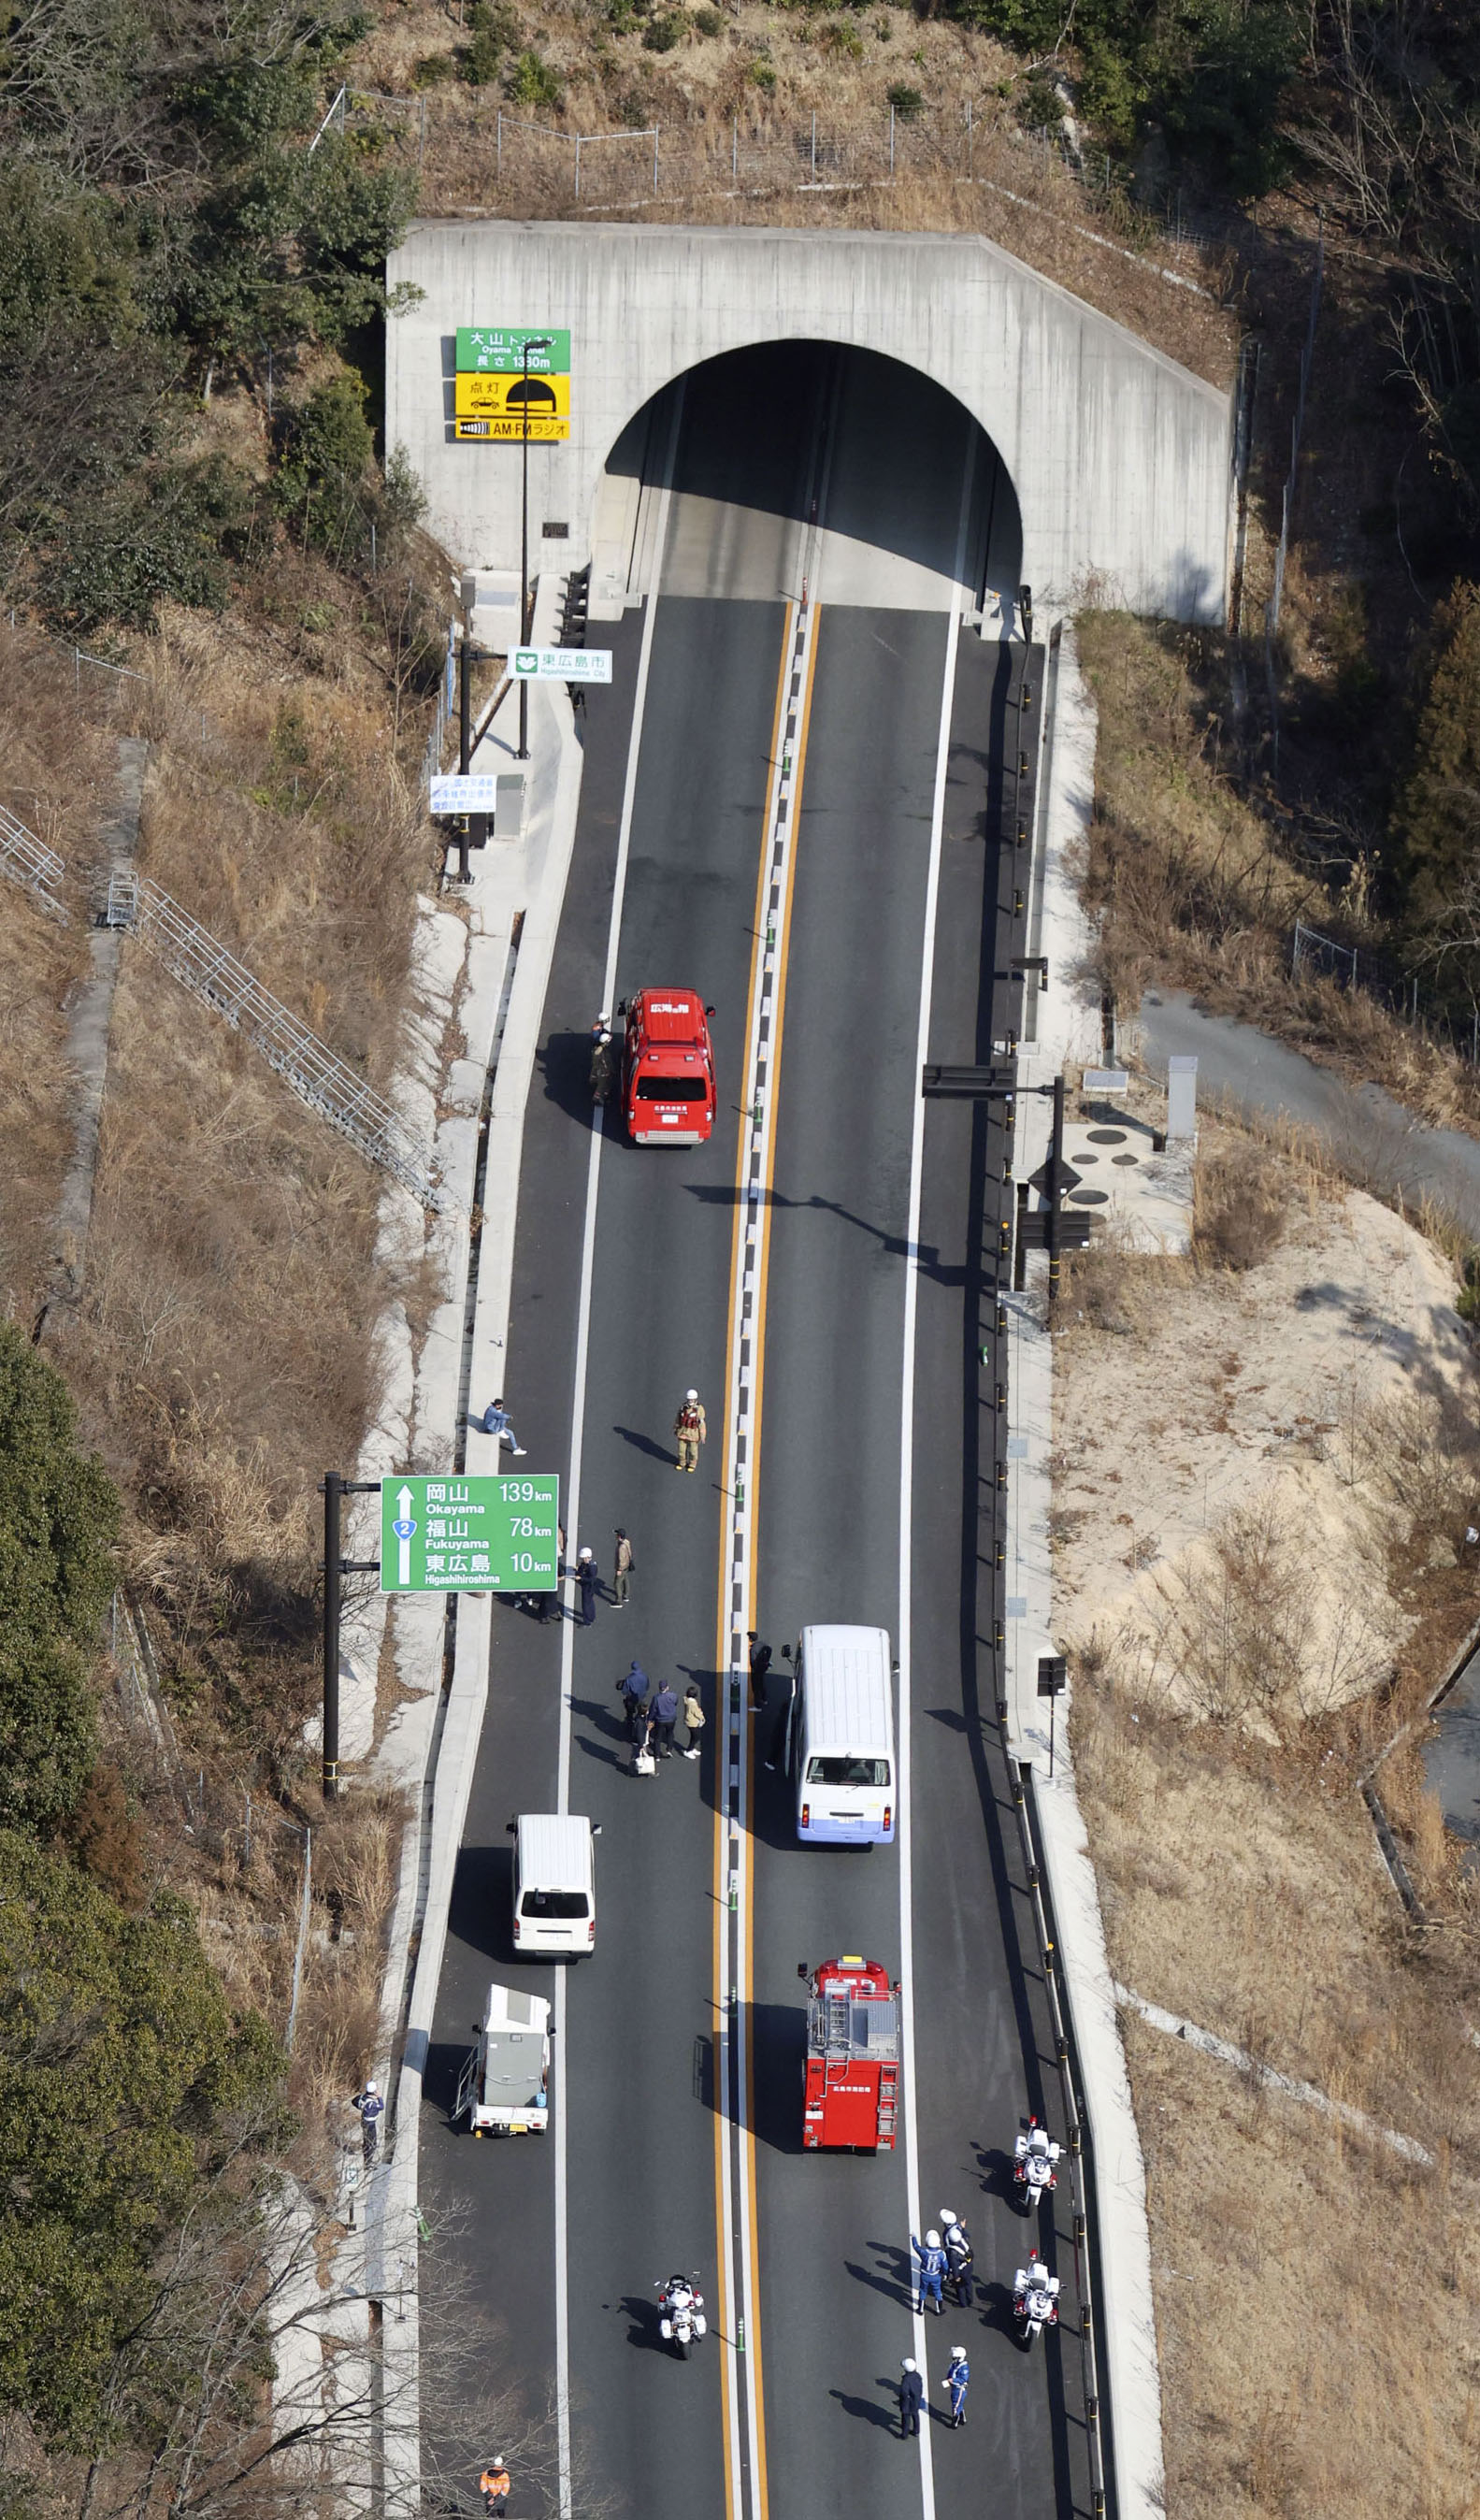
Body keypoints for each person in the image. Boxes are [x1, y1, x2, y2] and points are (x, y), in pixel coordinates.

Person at [941, 2210, 975, 2310]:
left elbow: (954, 2265)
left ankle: (963, 2303)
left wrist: (956, 2277)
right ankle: (970, 2300)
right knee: (968, 2283)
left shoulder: (953, 2252)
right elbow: (966, 2235)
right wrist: (963, 2228)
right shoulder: (962, 2238)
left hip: (960, 2270)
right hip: (969, 2265)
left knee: (960, 2287)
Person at [912, 2229, 946, 2315]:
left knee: (923, 2290)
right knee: (937, 2291)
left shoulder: (924, 2252)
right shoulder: (941, 2254)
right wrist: (944, 2274)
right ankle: (938, 2310)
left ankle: (921, 2309)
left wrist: (913, 2237)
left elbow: (916, 2246)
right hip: (936, 2276)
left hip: (925, 2275)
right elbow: (945, 2266)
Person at [673, 1389, 706, 1473]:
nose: (690, 1401)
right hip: (683, 1432)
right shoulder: (683, 1407)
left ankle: (692, 1464)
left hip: (693, 1433)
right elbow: (678, 1418)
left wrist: (702, 1435)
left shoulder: (699, 1409)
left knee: (693, 1451)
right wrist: (676, 1428)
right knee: (681, 1449)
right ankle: (682, 1462)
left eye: (692, 1399)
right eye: (689, 1399)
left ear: (695, 1399)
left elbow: (701, 1423)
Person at [353, 2080, 385, 2166]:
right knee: (372, 2143)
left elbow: (354, 2101)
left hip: (364, 2121)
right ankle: (368, 2163)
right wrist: (379, 2097)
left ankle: (366, 2157)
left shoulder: (362, 2098)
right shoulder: (371, 2103)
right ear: (374, 2092)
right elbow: (381, 2106)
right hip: (370, 2124)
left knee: (366, 2140)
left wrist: (361, 2108)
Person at [617, 1661, 650, 1742]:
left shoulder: (629, 1679)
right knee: (640, 1712)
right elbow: (647, 1686)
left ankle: (630, 1727)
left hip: (632, 1699)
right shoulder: (645, 1676)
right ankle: (639, 1723)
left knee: (629, 1713)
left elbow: (624, 1691)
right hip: (641, 1697)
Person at [649, 1679, 679, 1759]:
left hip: (660, 1720)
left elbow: (653, 1710)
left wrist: (650, 1719)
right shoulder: (673, 1696)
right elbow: (676, 1703)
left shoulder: (656, 1698)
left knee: (658, 1737)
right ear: (667, 1688)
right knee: (670, 1733)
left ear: (659, 1688)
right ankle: (669, 1750)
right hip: (671, 1719)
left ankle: (657, 1755)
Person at [942, 2346, 970, 2429]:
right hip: (955, 2388)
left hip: (959, 2389)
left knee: (955, 2406)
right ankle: (962, 2419)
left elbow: (963, 2379)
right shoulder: (956, 2364)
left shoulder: (963, 2367)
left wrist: (952, 2380)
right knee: (958, 2404)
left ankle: (954, 2424)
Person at [898, 2357, 924, 2440]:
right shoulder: (917, 2376)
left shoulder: (906, 2380)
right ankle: (916, 2431)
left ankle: (904, 2434)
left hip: (907, 2402)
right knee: (915, 2415)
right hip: (916, 2400)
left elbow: (904, 2392)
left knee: (906, 2417)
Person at [747, 1632, 772, 1710]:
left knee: (756, 1688)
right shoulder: (762, 1644)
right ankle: (764, 1699)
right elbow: (770, 1649)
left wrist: (754, 1668)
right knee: (761, 1684)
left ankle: (757, 1706)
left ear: (750, 1639)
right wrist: (766, 1662)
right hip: (763, 1668)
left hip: (756, 1671)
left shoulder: (753, 1649)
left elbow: (753, 1662)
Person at [681, 1682, 706, 1760]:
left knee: (693, 1736)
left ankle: (692, 1749)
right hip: (693, 1722)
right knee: (696, 1737)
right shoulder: (693, 1704)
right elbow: (697, 1713)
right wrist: (702, 1718)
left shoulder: (687, 1700)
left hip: (689, 1720)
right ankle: (688, 1751)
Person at [589, 1030, 614, 1104]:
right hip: (601, 1074)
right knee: (602, 1087)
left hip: (602, 1073)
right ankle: (598, 1100)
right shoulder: (600, 1053)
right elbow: (601, 1063)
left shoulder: (601, 1049)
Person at [612, 1528, 634, 1607]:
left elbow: (621, 1559)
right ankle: (626, 1594)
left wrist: (619, 1569)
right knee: (625, 1579)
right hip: (627, 1565)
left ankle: (618, 1601)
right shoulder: (627, 1542)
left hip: (622, 1567)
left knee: (617, 1583)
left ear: (619, 1536)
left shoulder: (621, 1547)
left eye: (617, 1535)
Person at [577, 1547, 597, 1626]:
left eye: (583, 1558)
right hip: (588, 1587)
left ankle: (586, 1621)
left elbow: (591, 1579)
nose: (582, 1560)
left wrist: (581, 1578)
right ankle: (591, 1616)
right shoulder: (589, 1564)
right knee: (590, 1602)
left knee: (585, 1604)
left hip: (588, 1587)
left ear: (587, 1557)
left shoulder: (592, 1567)